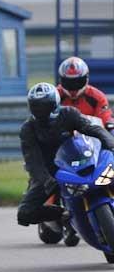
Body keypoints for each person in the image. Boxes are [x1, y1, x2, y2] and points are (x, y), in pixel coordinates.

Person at [17, 82, 114, 227]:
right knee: (24, 214)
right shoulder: (28, 129)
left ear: (55, 103)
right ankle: (62, 214)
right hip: (49, 170)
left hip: (77, 158)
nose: (40, 111)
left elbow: (92, 129)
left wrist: (110, 143)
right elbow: (32, 161)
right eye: (36, 106)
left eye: (45, 106)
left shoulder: (69, 113)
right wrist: (46, 180)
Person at [57, 56, 114, 131]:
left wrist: (109, 125)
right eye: (69, 83)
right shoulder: (55, 96)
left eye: (77, 82)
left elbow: (106, 121)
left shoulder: (98, 97)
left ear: (86, 78)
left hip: (90, 139)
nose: (73, 88)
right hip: (59, 138)